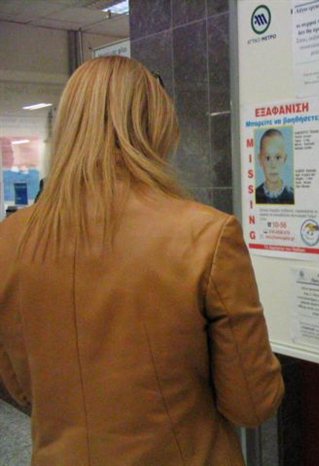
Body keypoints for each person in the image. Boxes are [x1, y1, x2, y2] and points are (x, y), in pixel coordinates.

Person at [0, 56, 284, 466]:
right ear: (156, 127)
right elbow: (252, 403)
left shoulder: (10, 240)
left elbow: (22, 389)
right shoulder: (206, 235)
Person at [255, 128, 294, 204]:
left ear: (285, 159)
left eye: (278, 157)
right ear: (260, 160)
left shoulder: (292, 196)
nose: (273, 165)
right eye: (268, 158)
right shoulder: (255, 195)